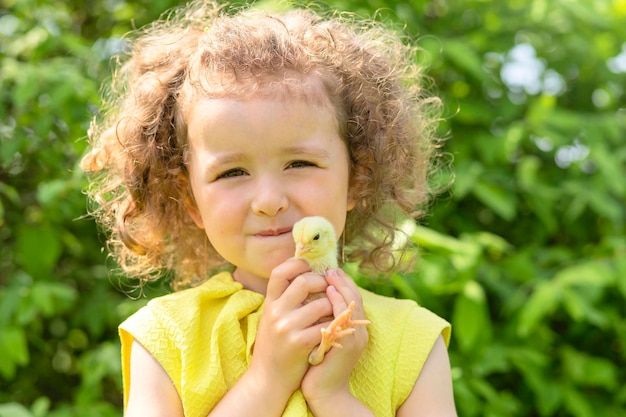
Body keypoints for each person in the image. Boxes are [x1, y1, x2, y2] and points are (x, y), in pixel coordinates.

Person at [81, 0, 457, 415]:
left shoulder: (413, 340)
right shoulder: (165, 338)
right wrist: (268, 378)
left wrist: (333, 396)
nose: (268, 201)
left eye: (299, 163)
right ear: (192, 202)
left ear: (357, 178)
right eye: (232, 173)